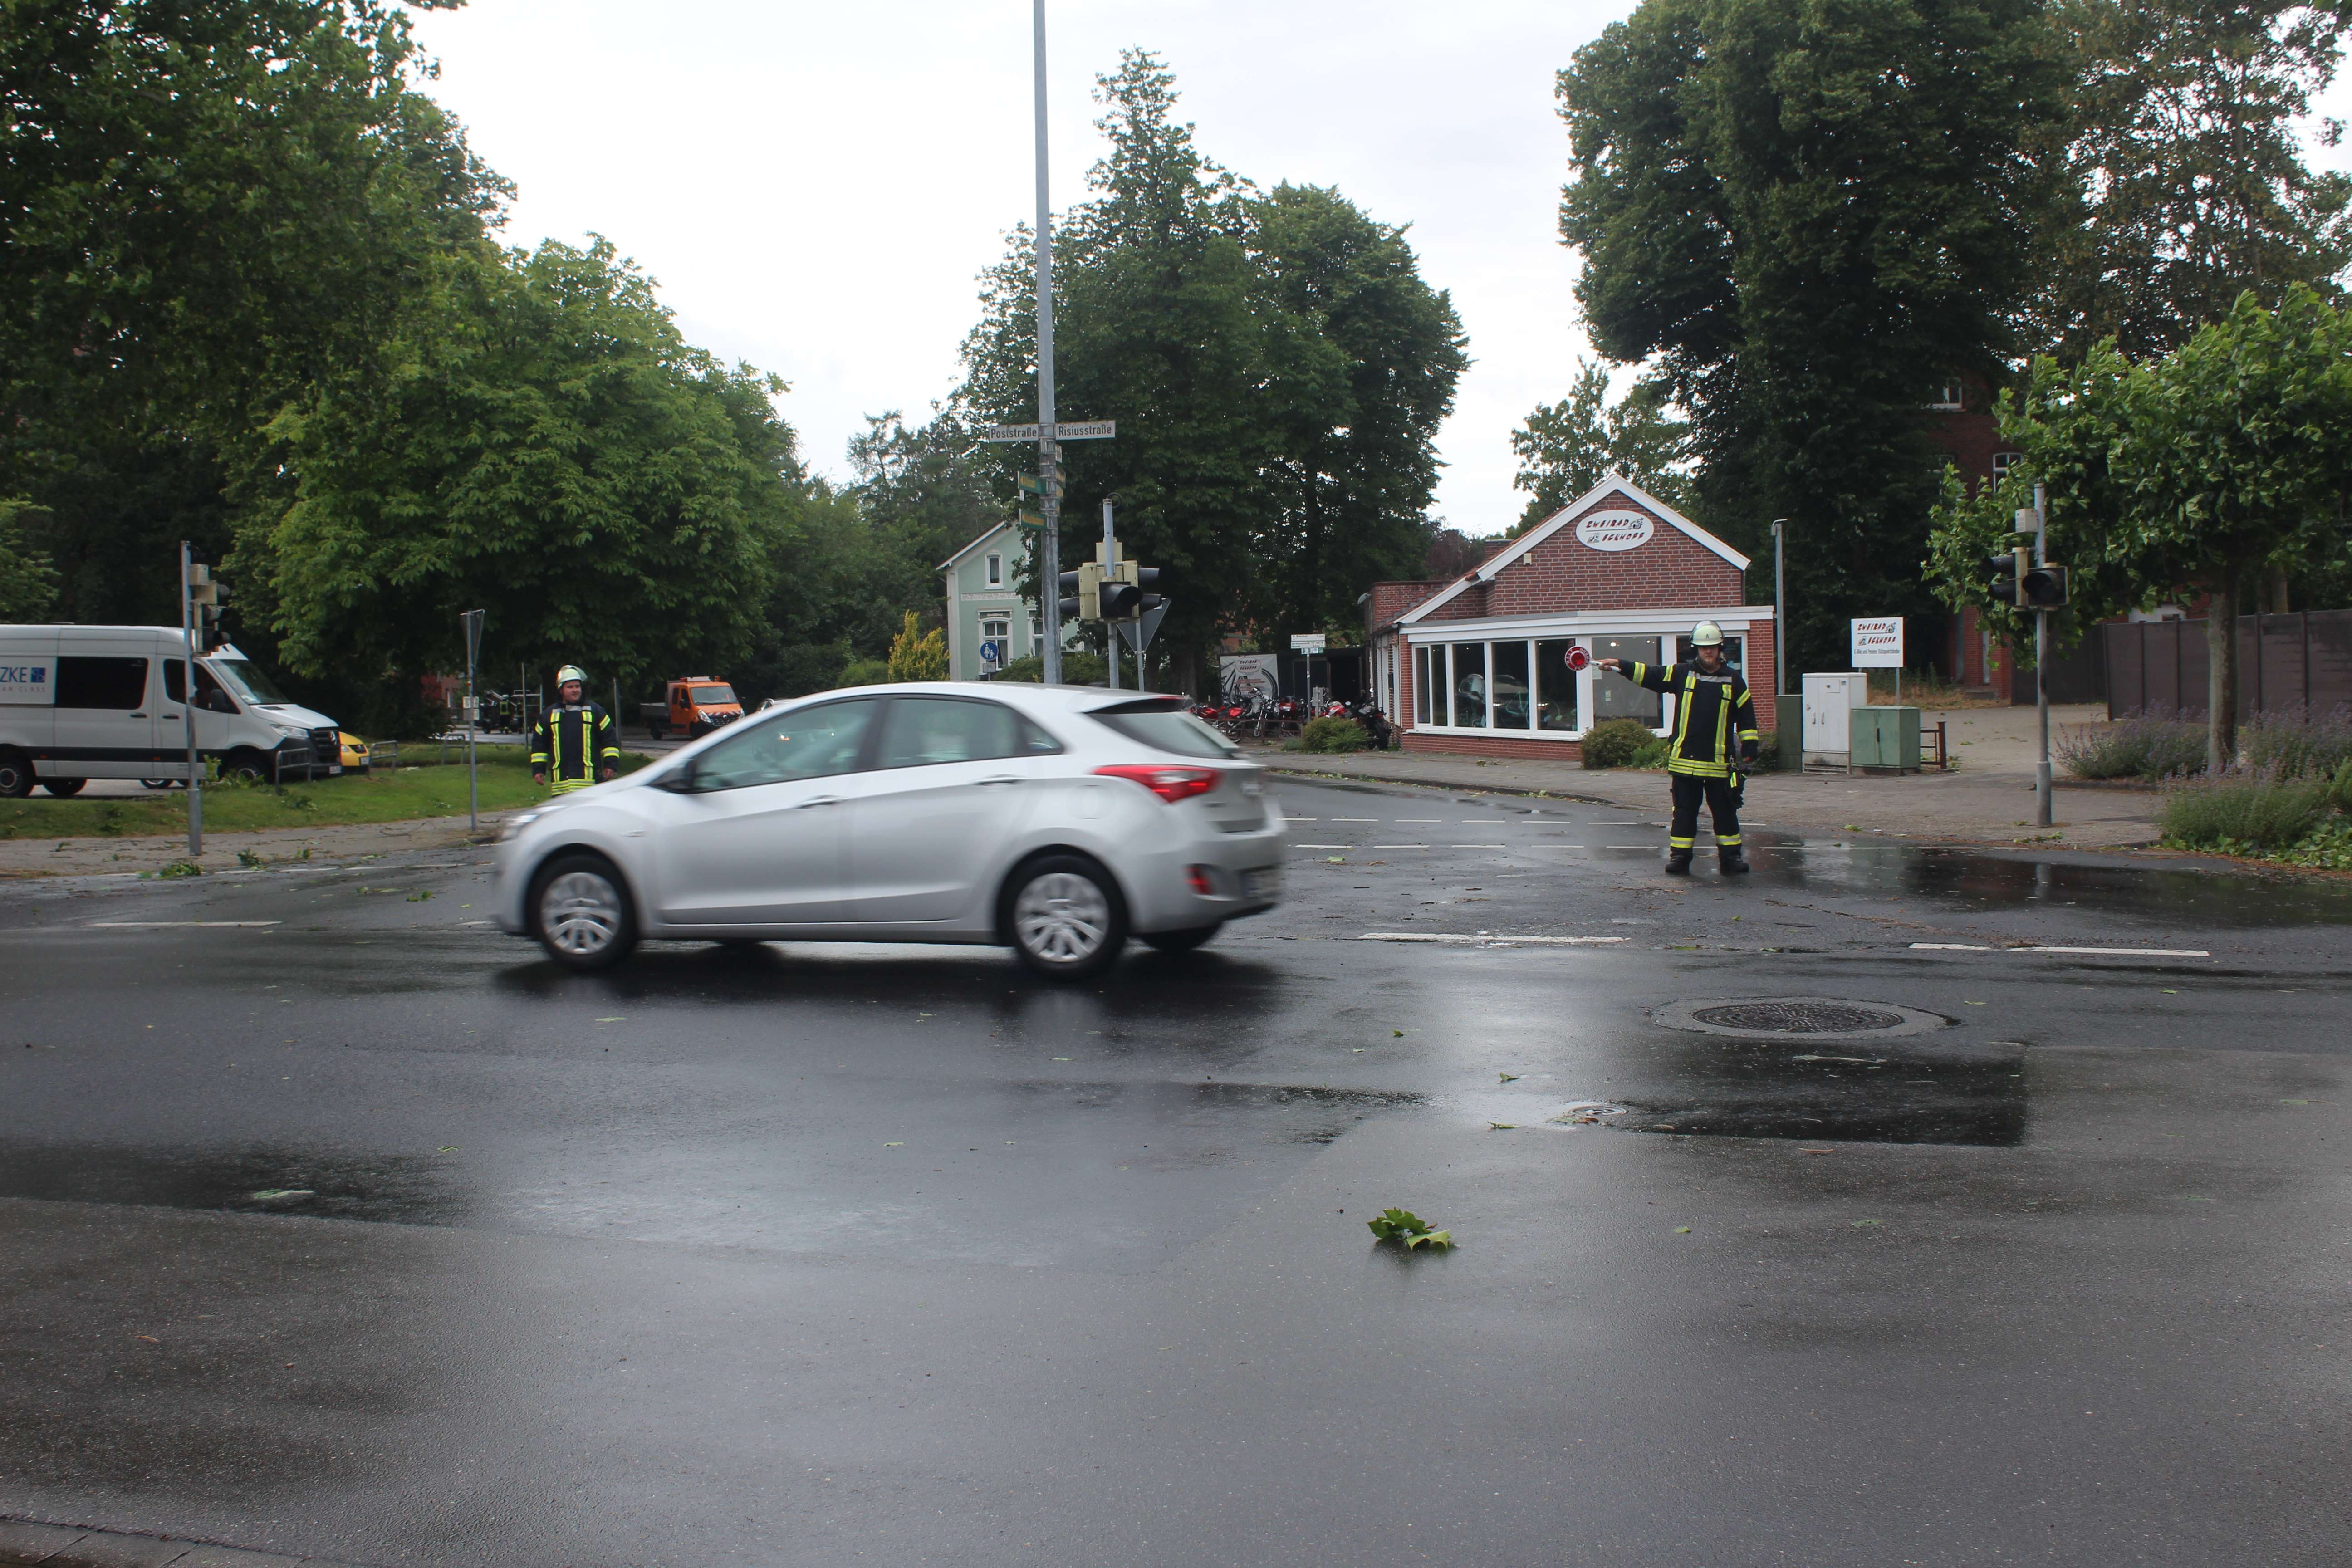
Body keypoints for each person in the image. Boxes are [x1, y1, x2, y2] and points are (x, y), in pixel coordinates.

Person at [1595, 622, 1759, 875]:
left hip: (1718, 764)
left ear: (1719, 648)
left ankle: (1731, 858)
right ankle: (1680, 858)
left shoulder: (1733, 680)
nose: (1708, 652)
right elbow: (1651, 674)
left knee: (1725, 813)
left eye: (1712, 648)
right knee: (1684, 813)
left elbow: (1747, 716)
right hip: (1684, 762)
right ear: (1696, 649)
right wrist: (1619, 663)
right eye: (1704, 648)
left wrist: (1750, 748)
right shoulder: (1682, 673)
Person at [531, 664, 619, 794]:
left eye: (577, 686)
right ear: (561, 690)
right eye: (570, 687)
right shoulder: (549, 715)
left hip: (589, 785)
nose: (575, 690)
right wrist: (538, 770)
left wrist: (611, 765)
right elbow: (539, 745)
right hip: (560, 786)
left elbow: (610, 740)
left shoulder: (596, 712)